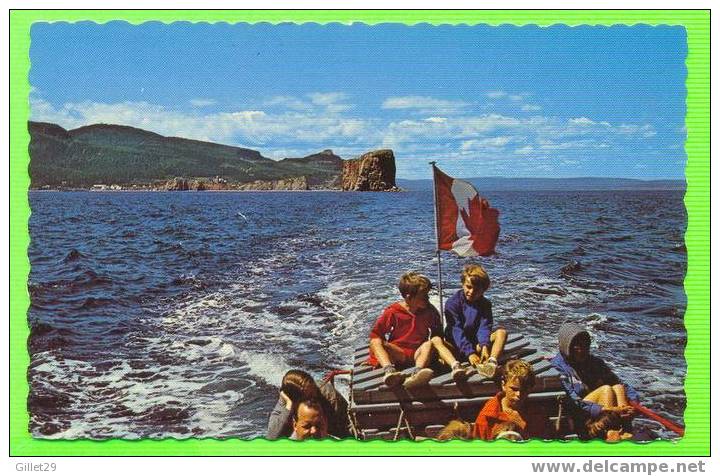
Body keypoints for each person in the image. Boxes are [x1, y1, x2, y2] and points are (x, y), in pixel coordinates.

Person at [368, 272, 468, 388]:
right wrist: (375, 358)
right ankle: (389, 371)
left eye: (428, 295)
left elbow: (437, 333)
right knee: (375, 341)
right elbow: (376, 334)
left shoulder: (429, 311)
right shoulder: (393, 311)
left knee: (429, 343)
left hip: (419, 353)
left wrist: (437, 350)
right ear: (408, 297)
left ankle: (417, 372)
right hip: (399, 352)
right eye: (423, 297)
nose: (428, 298)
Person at [550, 323, 639, 437]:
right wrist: (610, 409)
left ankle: (624, 430)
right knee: (606, 390)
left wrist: (633, 405)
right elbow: (574, 402)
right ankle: (611, 433)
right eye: (576, 345)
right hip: (579, 417)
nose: (581, 349)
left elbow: (621, 383)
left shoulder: (594, 363)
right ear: (566, 346)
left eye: (585, 344)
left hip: (602, 414)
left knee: (618, 387)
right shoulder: (557, 368)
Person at [444, 264, 507, 378]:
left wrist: (484, 346)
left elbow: (484, 326)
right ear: (463, 284)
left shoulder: (485, 304)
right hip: (456, 346)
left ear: (484, 290)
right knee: (436, 340)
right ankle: (455, 365)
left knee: (501, 332)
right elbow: (456, 331)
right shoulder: (452, 303)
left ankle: (491, 363)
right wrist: (470, 353)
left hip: (475, 343)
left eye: (477, 289)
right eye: (468, 287)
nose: (472, 292)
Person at [473, 359, 548, 440]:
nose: (518, 394)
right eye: (514, 389)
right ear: (503, 385)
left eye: (524, 389)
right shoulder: (486, 418)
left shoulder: (538, 413)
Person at [266, 369, 349, 440]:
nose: (314, 396)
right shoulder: (288, 399)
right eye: (309, 395)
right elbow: (272, 438)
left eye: (314, 390)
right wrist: (289, 406)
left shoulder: (328, 395)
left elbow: (347, 428)